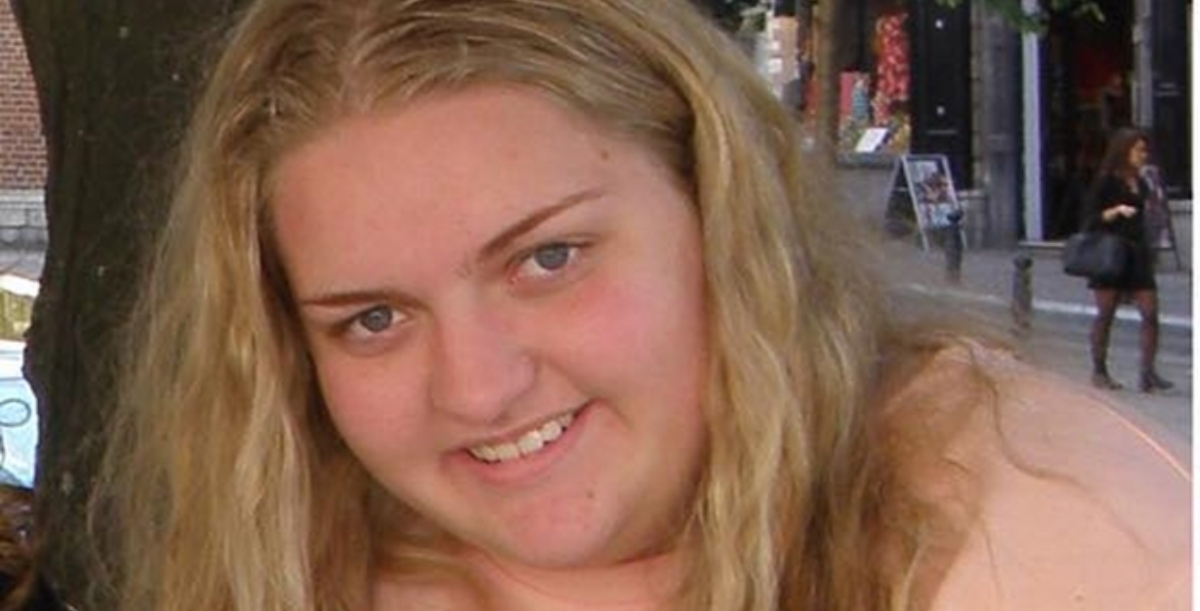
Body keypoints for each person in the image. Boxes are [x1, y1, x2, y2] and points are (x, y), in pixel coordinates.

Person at [91, 1, 1190, 610]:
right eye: (372, 318)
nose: (477, 388)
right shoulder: (288, 554)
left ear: (721, 219)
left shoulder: (1037, 533)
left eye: (548, 257)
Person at [1083, 128, 1175, 393]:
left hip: (1137, 255)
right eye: (1138, 151)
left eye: (1145, 151)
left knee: (1150, 313)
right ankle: (1099, 370)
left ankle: (1148, 372)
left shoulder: (1142, 183)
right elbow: (1089, 219)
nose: (1143, 156)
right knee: (1106, 314)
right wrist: (1115, 211)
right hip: (1111, 254)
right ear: (1124, 152)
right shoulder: (1106, 182)